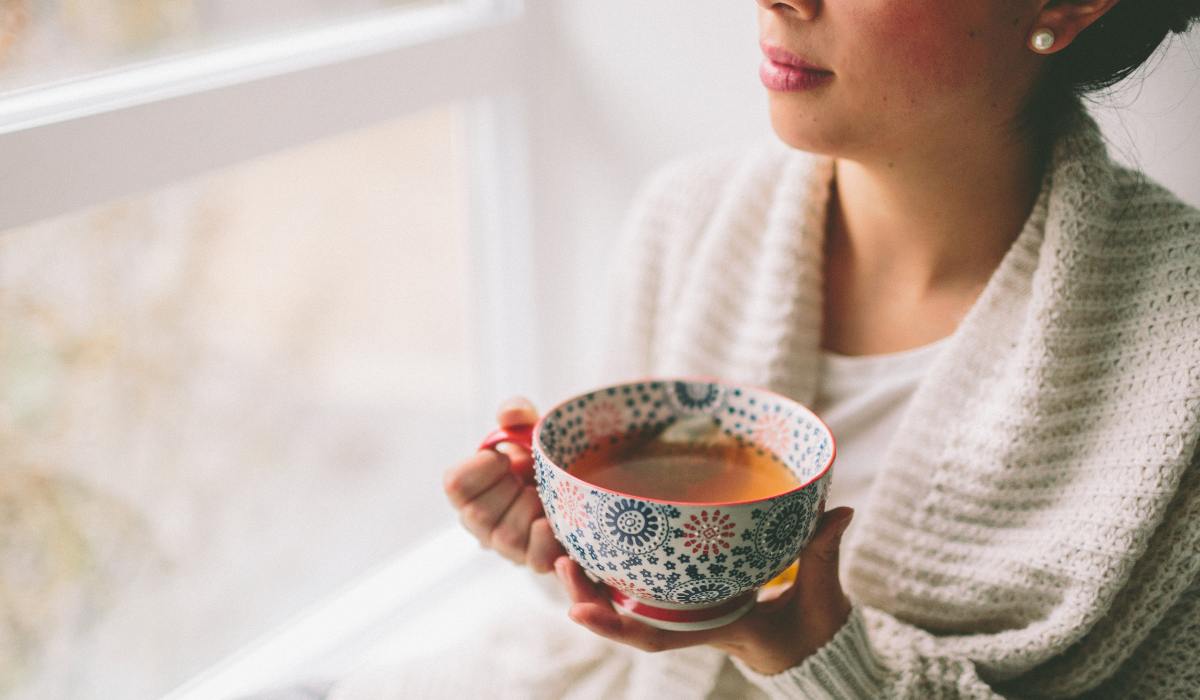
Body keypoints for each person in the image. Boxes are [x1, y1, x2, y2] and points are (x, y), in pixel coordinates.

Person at [329, 0, 1200, 697]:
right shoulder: (689, 217)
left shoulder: (1181, 357)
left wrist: (817, 654)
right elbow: (643, 632)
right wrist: (568, 546)